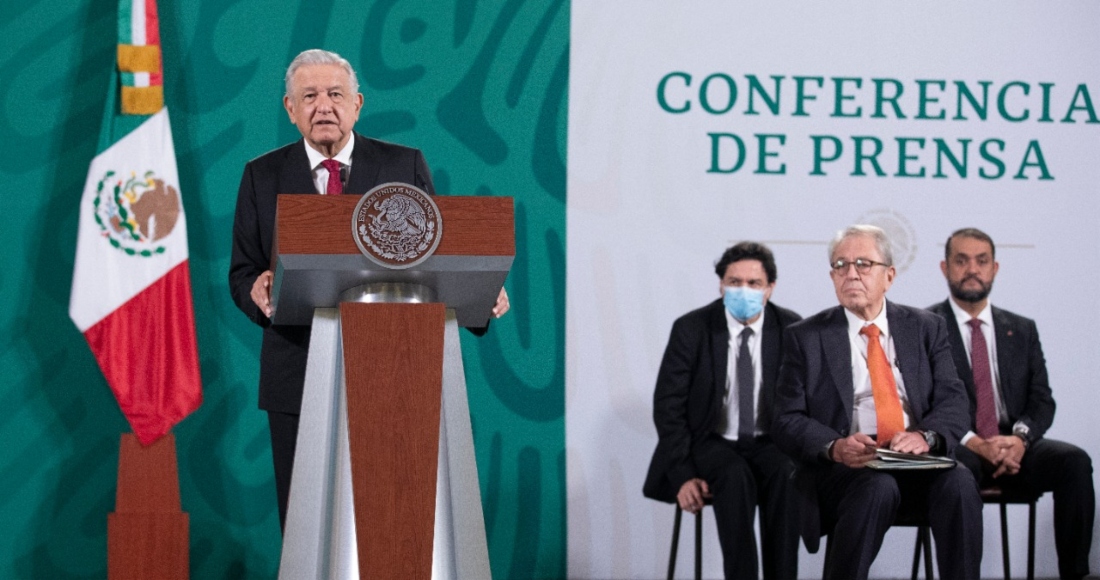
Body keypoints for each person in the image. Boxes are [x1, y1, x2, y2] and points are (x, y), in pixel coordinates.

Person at [228, 49, 509, 530]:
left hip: (395, 371)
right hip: (298, 373)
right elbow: (241, 271)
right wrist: (254, 290)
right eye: (309, 96)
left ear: (357, 104)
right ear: (290, 109)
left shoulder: (405, 164)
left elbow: (434, 251)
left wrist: (478, 298)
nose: (323, 106)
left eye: (335, 94)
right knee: (308, 525)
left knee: (394, 523)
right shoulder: (263, 175)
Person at [772, 224, 982, 580]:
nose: (851, 273)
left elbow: (954, 399)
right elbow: (786, 419)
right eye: (841, 265)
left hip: (917, 461)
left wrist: (926, 437)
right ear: (832, 276)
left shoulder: (925, 327)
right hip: (847, 470)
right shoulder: (805, 337)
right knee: (877, 486)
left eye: (863, 264)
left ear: (889, 276)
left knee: (959, 482)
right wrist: (835, 446)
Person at [928, 227, 1094, 580]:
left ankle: (1076, 575)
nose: (972, 269)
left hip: (1015, 445)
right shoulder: (925, 327)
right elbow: (924, 401)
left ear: (995, 268)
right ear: (944, 268)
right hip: (960, 445)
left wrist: (1019, 440)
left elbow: (1041, 399)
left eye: (981, 261)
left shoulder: (1022, 329)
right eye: (961, 261)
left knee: (1075, 464)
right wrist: (975, 442)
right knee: (958, 471)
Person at [643, 242, 801, 579]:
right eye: (734, 282)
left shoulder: (791, 329)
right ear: (720, 285)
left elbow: (804, 405)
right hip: (711, 441)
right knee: (734, 475)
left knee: (787, 474)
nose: (743, 290)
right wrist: (683, 474)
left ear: (770, 288)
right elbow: (668, 406)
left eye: (754, 283)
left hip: (769, 441)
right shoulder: (692, 328)